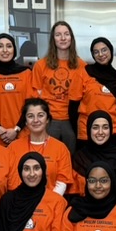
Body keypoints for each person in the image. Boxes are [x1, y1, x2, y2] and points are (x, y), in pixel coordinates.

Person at [31, 20, 84, 152]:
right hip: (49, 120)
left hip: (72, 120)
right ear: (53, 39)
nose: (63, 38)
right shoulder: (41, 65)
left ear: (71, 38)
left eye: (66, 34)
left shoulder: (82, 66)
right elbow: (35, 96)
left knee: (70, 157)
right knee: (47, 157)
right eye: (58, 35)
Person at [5, 98, 73, 196]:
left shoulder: (61, 148)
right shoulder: (13, 147)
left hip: (51, 201)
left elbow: (62, 181)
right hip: (20, 201)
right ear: (25, 121)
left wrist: (49, 201)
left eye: (40, 115)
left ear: (47, 119)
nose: (35, 120)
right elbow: (10, 180)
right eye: (30, 116)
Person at [0, 33, 34, 146]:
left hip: (22, 135)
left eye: (9, 46)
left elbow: (30, 106)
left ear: (14, 50)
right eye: (0, 46)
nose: (5, 50)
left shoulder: (26, 73)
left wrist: (16, 129)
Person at [74, 37, 116, 148]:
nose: (100, 54)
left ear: (111, 50)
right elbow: (73, 105)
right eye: (96, 52)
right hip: (86, 132)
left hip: (113, 131)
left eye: (104, 50)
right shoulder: (84, 72)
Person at [72, 110, 116, 200]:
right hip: (85, 206)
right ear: (89, 129)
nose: (100, 132)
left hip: (115, 207)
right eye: (95, 127)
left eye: (105, 127)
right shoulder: (79, 158)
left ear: (111, 130)